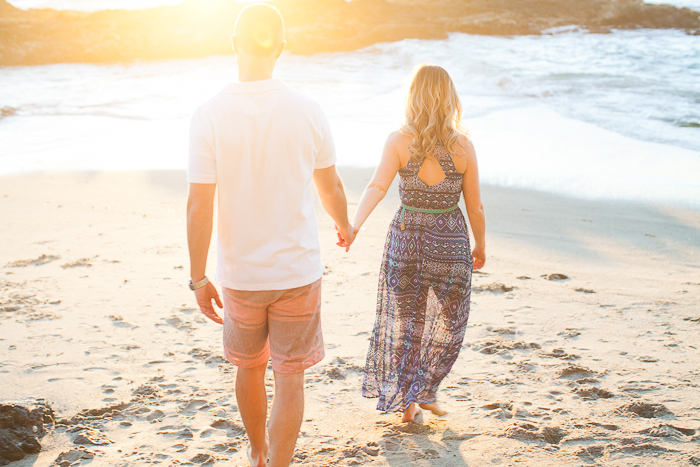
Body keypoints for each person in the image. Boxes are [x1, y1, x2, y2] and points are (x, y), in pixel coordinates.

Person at [186, 4, 354, 466]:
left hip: (241, 274)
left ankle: (258, 452)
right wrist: (344, 224)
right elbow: (332, 187)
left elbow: (199, 203)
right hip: (297, 270)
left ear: (233, 42)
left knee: (249, 366)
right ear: (281, 48)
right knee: (290, 377)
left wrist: (198, 278)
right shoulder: (308, 110)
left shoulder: (209, 114)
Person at [351, 64, 486, 422]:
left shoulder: (398, 141)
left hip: (407, 236)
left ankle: (409, 402)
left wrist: (354, 226)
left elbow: (376, 187)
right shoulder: (463, 147)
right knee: (451, 319)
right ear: (450, 99)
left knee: (407, 322)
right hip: (451, 240)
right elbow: (475, 206)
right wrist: (480, 246)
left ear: (413, 96)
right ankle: (425, 388)